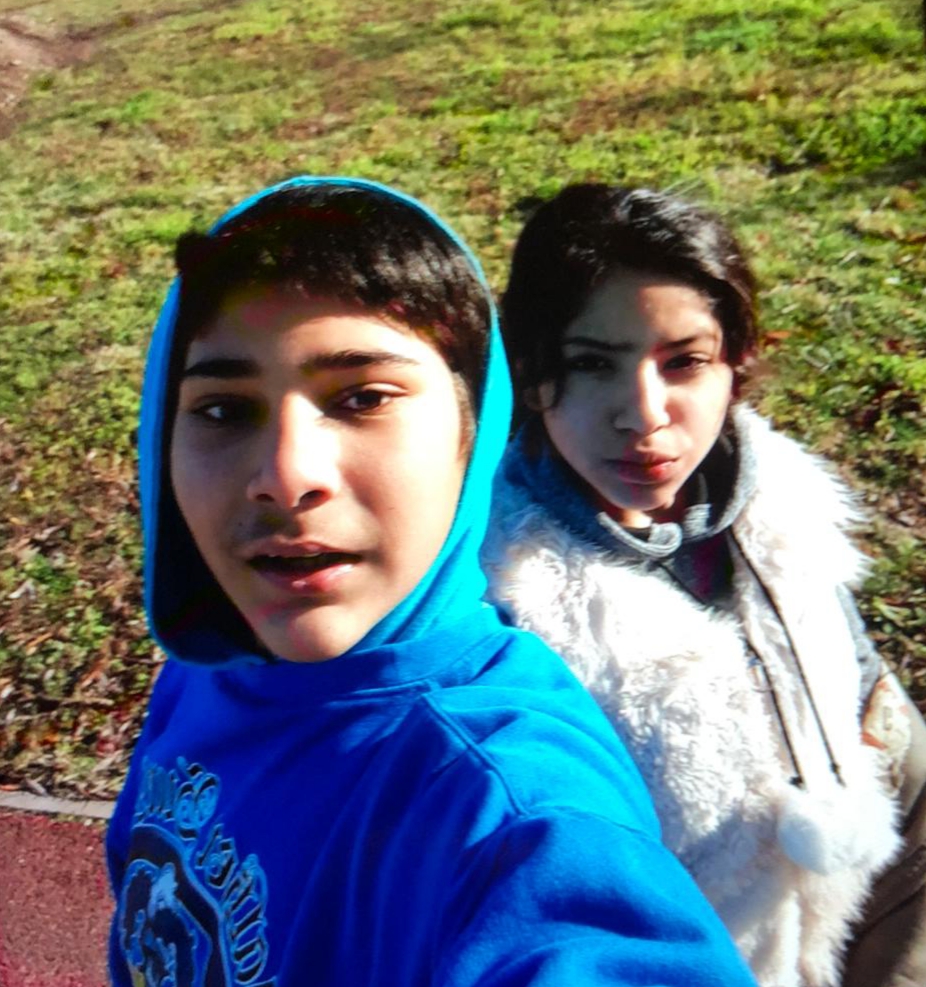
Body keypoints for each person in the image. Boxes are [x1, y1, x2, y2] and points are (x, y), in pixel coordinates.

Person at [105, 176, 759, 987]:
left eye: (362, 398)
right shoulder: (206, 665)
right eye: (224, 410)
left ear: (474, 434)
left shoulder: (508, 801)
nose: (285, 476)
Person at [481, 183, 926, 987]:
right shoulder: (496, 605)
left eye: (684, 361)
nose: (644, 415)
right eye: (592, 364)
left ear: (735, 362)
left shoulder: (788, 514)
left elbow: (878, 718)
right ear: (534, 372)